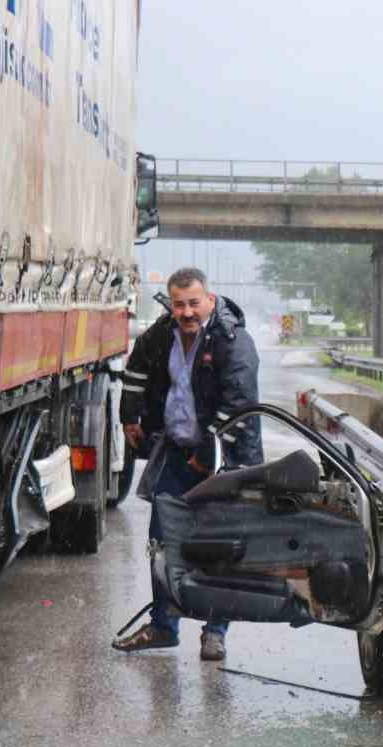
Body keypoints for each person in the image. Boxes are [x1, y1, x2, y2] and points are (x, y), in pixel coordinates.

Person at [112, 266, 262, 661]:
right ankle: (164, 626)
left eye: (194, 303)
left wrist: (206, 454)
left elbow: (239, 404)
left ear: (209, 300)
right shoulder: (162, 333)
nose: (187, 312)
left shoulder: (233, 341)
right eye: (179, 304)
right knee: (163, 544)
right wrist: (130, 416)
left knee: (217, 548)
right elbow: (136, 369)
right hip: (176, 454)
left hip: (223, 461)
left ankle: (215, 633)